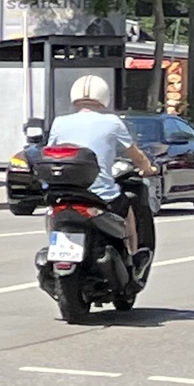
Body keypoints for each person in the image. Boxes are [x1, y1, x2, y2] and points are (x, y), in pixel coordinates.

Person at [46, 76, 159, 256]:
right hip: (102, 196)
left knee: (52, 216)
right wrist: (148, 169)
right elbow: (136, 155)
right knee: (129, 213)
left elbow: (50, 151)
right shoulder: (112, 122)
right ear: (104, 97)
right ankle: (133, 259)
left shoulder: (59, 122)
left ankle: (56, 246)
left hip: (64, 194)